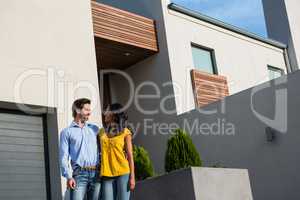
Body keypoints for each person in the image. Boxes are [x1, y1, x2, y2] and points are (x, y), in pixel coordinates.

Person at [59, 98, 101, 200]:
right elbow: (63, 157)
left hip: (96, 174)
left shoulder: (94, 129)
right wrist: (69, 177)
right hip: (79, 175)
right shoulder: (66, 132)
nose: (89, 113)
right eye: (86, 110)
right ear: (78, 110)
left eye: (89, 110)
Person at [99, 103, 135, 200]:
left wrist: (132, 177)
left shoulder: (125, 132)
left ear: (114, 114)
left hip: (123, 172)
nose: (105, 113)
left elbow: (130, 156)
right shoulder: (101, 132)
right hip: (106, 174)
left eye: (107, 111)